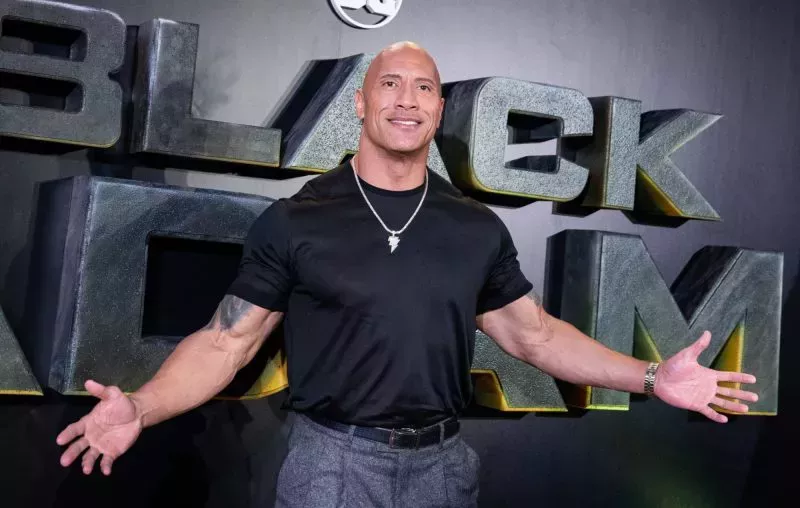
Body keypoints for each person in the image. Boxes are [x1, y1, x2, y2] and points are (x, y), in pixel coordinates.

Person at [56, 41, 758, 507]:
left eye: (424, 87)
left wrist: (650, 376)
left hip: (444, 468)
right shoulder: (298, 219)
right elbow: (225, 342)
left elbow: (536, 337)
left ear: (439, 109)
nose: (407, 99)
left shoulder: (473, 227)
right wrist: (142, 407)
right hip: (333, 468)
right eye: (389, 84)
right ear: (360, 103)